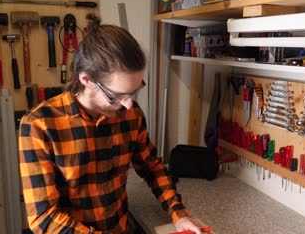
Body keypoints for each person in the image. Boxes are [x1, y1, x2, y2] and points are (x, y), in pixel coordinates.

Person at [19, 14, 201, 234]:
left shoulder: (130, 114)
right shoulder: (39, 126)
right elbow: (43, 218)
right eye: (117, 95)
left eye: (134, 91)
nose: (128, 104)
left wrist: (178, 213)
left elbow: (152, 167)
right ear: (86, 79)